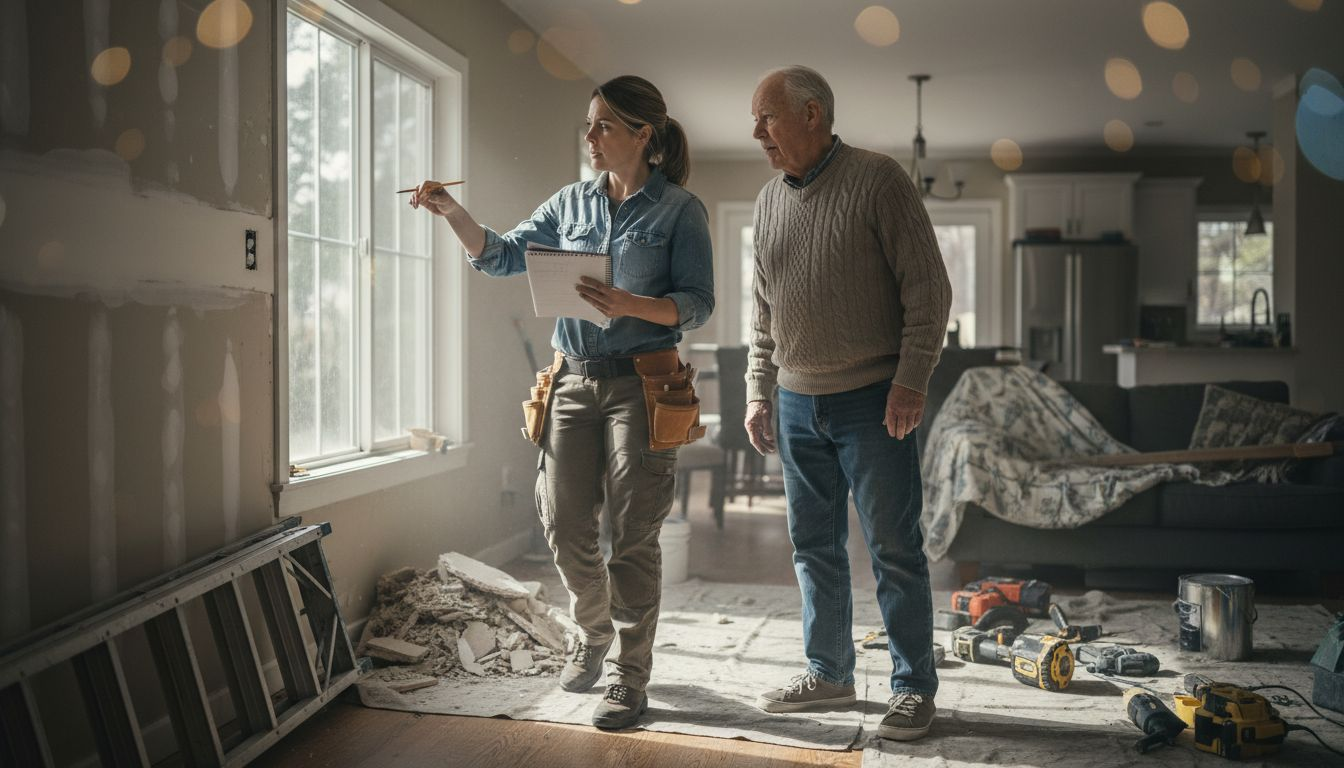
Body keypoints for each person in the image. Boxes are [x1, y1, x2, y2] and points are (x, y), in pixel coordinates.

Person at [410, 75, 713, 730]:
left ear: (642, 134)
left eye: (603, 125)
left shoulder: (679, 211)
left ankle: (630, 678)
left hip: (645, 383)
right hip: (572, 380)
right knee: (560, 519)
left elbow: (698, 302)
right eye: (588, 124)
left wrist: (634, 304)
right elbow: (502, 257)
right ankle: (593, 628)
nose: (590, 136)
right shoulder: (570, 201)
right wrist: (451, 215)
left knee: (633, 533)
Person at [744, 66, 951, 741]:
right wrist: (757, 390)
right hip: (797, 404)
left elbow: (929, 289)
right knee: (813, 548)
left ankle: (913, 686)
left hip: (873, 403)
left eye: (766, 118)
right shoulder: (767, 200)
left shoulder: (879, 179)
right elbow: (761, 316)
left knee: (894, 548)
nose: (756, 133)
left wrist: (912, 379)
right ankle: (829, 674)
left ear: (811, 114)